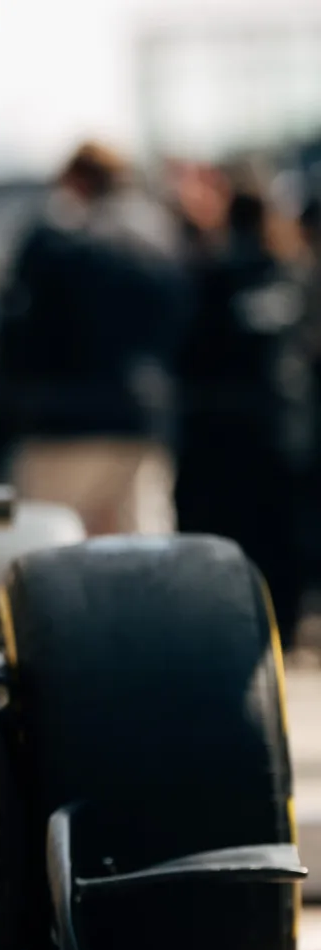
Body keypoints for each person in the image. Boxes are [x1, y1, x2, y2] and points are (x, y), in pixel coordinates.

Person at [0, 142, 191, 535]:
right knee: (145, 560)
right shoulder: (160, 236)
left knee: (52, 560)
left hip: (62, 422)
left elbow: (16, 326)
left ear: (75, 180)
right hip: (140, 418)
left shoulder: (57, 238)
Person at [174, 187, 311, 636]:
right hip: (279, 427)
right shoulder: (291, 275)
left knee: (233, 536)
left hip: (220, 432)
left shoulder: (207, 275)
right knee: (282, 533)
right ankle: (285, 626)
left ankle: (238, 624)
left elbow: (187, 352)